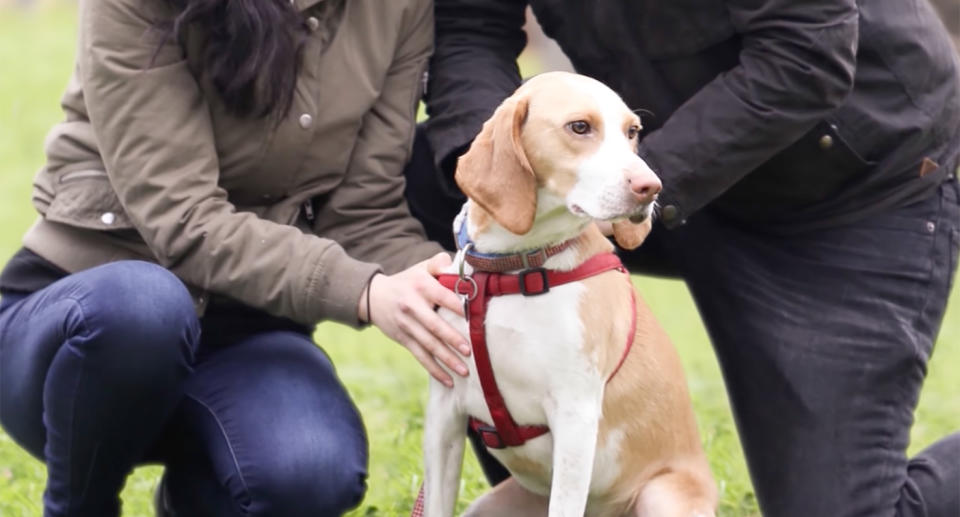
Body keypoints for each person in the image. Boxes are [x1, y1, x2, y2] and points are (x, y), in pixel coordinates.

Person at [405, 0, 960, 515]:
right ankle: (545, 466)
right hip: (647, 168)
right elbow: (471, 25)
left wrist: (641, 190)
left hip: (845, 195)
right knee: (427, 180)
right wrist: (497, 185)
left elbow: (805, 53)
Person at [0, 0, 472, 515]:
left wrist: (453, 289)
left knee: (311, 471)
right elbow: (184, 218)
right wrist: (364, 291)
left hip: (241, 330)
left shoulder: (397, 8)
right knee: (144, 307)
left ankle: (196, 498)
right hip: (84, 334)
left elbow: (365, 210)